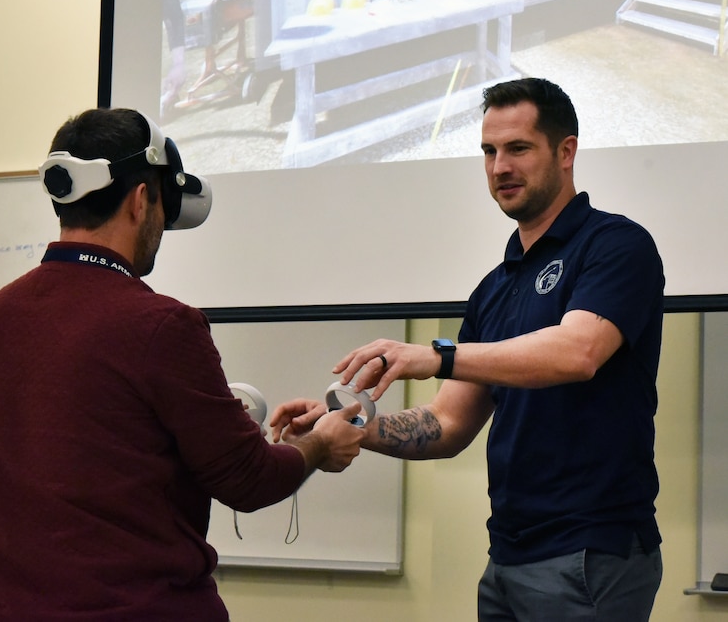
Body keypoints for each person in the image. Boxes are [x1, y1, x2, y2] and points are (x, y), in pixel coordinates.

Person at [272, 77, 665, 621]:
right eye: (489, 151)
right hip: (507, 555)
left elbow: (579, 352)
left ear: (566, 151)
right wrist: (349, 423)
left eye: (519, 149)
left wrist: (438, 355)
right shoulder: (495, 288)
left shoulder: (616, 245)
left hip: (589, 551)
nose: (500, 166)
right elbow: (448, 424)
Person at [0, 108, 364, 621]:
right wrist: (320, 442)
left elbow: (81, 452)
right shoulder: (161, 325)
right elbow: (250, 481)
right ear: (141, 199)